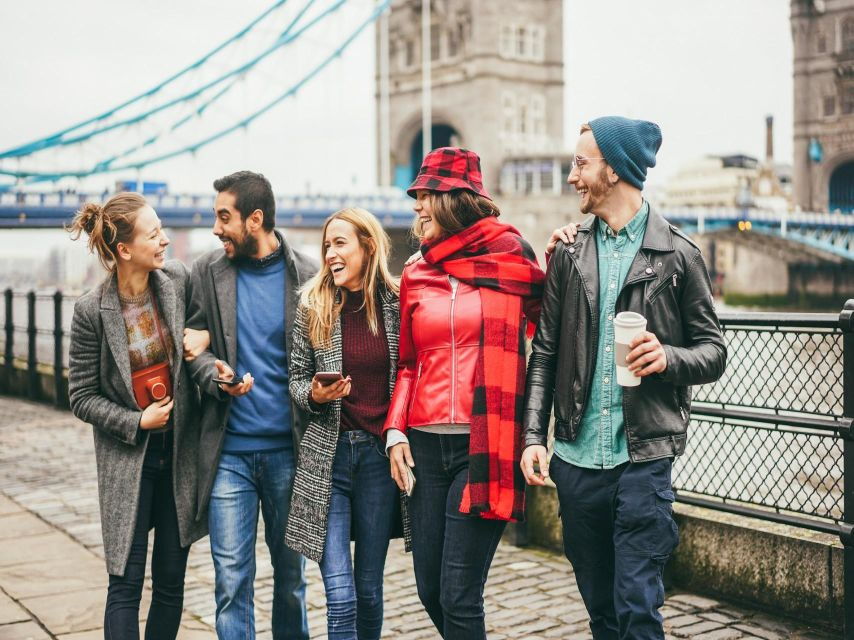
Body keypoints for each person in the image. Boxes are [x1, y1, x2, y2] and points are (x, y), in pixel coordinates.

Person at [521, 117, 727, 639]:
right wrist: (533, 437)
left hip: (643, 460)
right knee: (601, 610)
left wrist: (667, 357)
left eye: (581, 164)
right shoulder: (568, 252)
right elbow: (544, 352)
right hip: (576, 460)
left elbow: (714, 353)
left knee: (637, 606)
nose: (572, 176)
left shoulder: (679, 255)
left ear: (613, 170)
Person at [385, 147, 545, 640]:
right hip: (425, 446)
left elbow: (552, 335)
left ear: (454, 199)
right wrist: (394, 429)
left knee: (459, 592)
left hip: (485, 445)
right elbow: (408, 364)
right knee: (430, 590)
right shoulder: (416, 272)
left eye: (426, 195)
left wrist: (567, 251)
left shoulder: (512, 257)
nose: (417, 206)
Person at [67, 192, 209, 639]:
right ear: (125, 250)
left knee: (169, 584)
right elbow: (81, 396)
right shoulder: (91, 311)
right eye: (154, 234)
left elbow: (204, 328)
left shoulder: (177, 281)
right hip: (130, 464)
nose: (164, 240)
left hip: (178, 459)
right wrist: (136, 422)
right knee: (125, 586)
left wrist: (203, 338)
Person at [184, 171, 315, 640]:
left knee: (291, 582)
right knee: (231, 582)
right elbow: (194, 347)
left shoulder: (308, 275)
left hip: (289, 455)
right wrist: (215, 374)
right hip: (229, 457)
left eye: (225, 217)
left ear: (254, 220)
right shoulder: (206, 271)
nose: (215, 228)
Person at [285, 207, 411, 640]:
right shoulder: (313, 305)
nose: (330, 254)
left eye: (340, 243)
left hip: (379, 460)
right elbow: (295, 381)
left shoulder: (398, 302)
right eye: (326, 245)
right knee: (340, 596)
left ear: (368, 246)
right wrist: (315, 395)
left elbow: (411, 373)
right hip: (329, 462)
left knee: (369, 592)